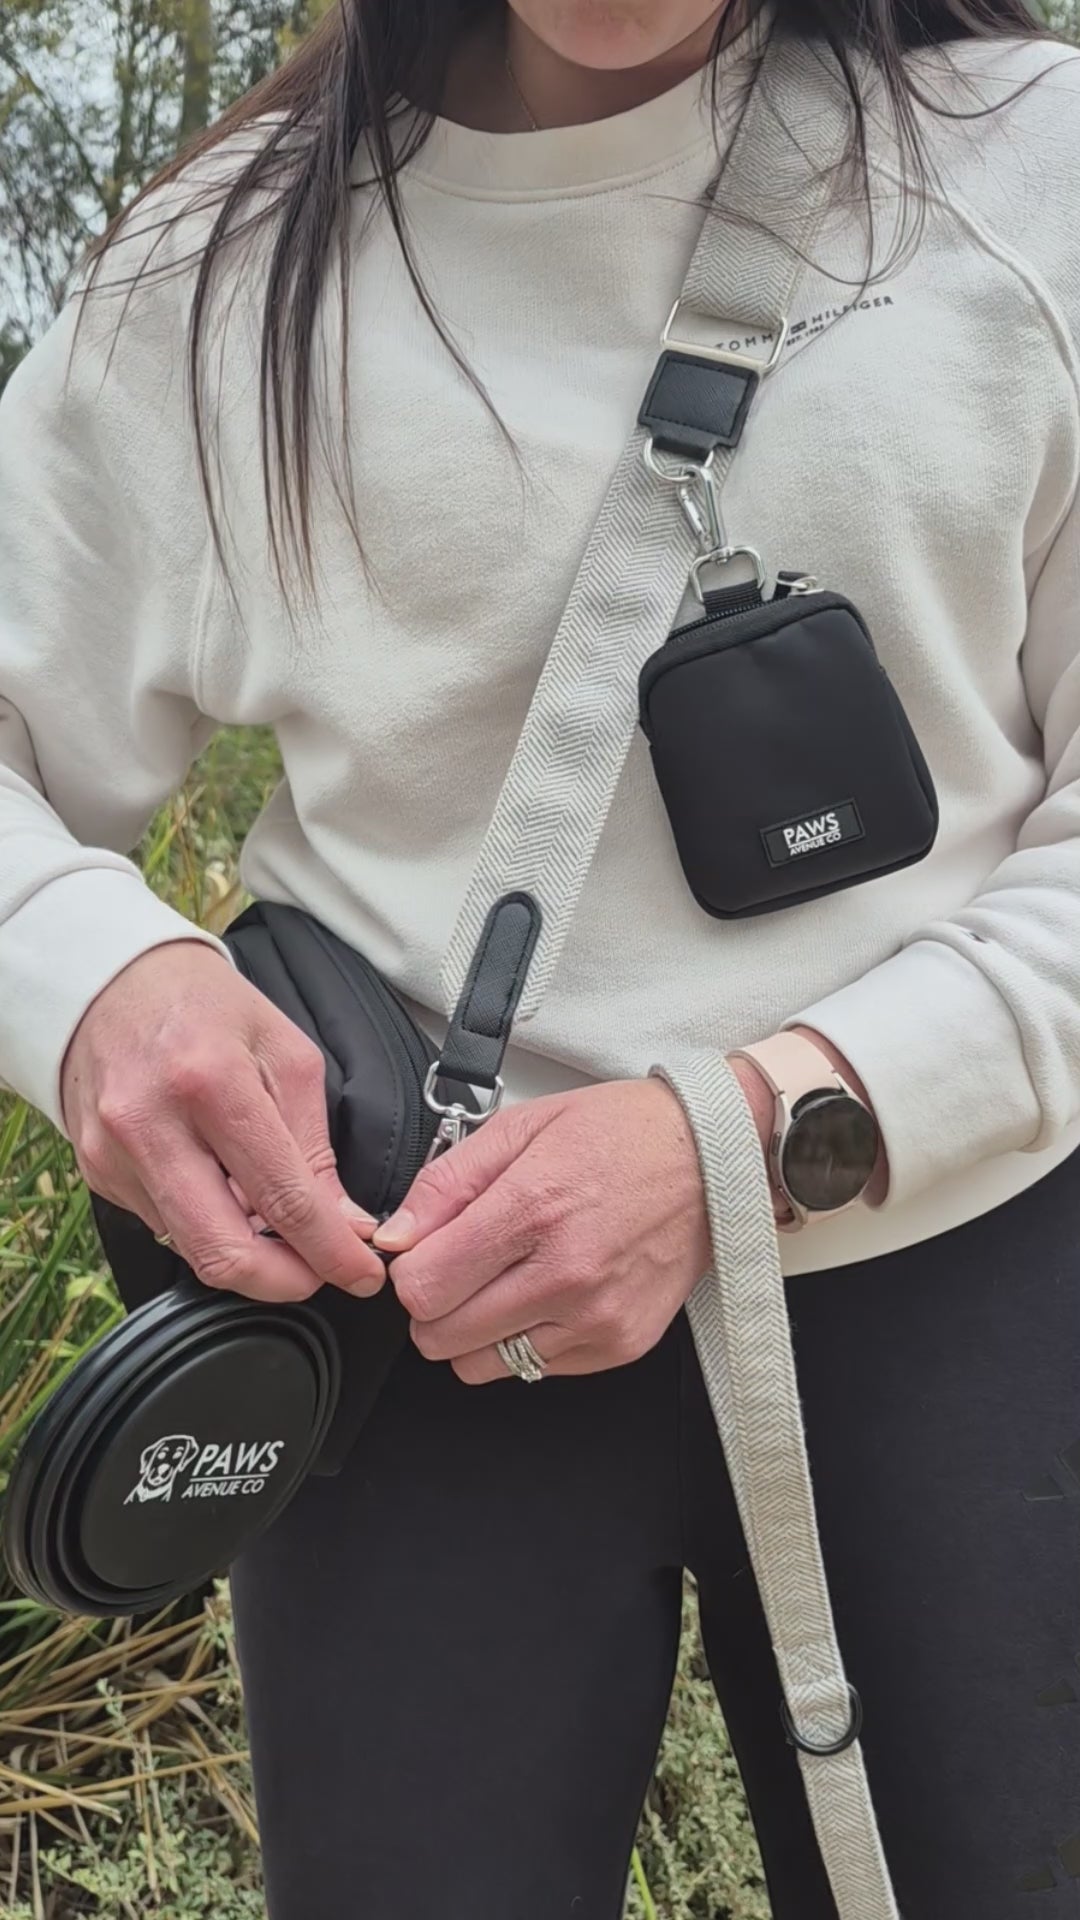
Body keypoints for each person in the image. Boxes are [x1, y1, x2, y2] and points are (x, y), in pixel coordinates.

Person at [1, 0, 1079, 1914]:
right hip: (404, 1324)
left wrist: (743, 1140)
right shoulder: (213, 272)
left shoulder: (1038, 167)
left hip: (961, 1282)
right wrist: (89, 975)